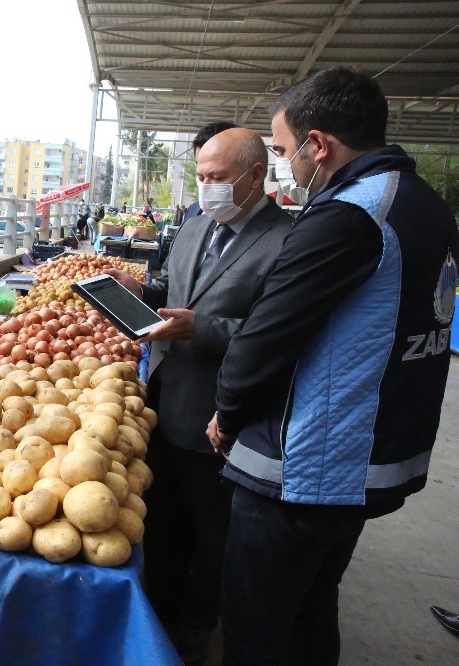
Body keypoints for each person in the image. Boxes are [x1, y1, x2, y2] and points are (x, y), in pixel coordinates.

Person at [206, 67, 459, 665]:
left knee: (255, 629)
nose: (286, 166)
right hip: (377, 457)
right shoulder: (426, 206)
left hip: (312, 466)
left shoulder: (351, 212)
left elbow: (269, 331)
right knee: (311, 610)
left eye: (286, 150)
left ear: (320, 145)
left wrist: (228, 412)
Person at [106, 127, 293, 665]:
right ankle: (156, 624)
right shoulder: (193, 225)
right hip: (163, 401)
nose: (207, 187)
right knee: (161, 527)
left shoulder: (287, 241)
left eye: (218, 178)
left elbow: (277, 334)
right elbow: (179, 292)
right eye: (201, 176)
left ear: (256, 175)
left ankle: (194, 632)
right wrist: (143, 294)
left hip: (221, 417)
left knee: (212, 539)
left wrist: (202, 328)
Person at [184, 121, 239, 222]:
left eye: (217, 176)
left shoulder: (276, 233)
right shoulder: (194, 211)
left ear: (255, 175)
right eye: (200, 176)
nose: (205, 185)